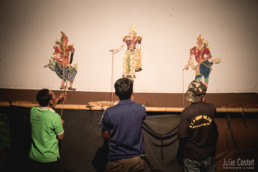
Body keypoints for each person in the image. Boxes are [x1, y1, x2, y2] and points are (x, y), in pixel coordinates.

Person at [99, 78, 146, 172]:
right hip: (136, 159)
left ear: (116, 93)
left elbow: (105, 135)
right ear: (132, 91)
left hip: (116, 160)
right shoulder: (141, 109)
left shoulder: (109, 112)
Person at [177, 80, 218, 172]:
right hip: (209, 155)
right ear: (202, 95)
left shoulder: (186, 112)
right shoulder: (212, 108)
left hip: (191, 157)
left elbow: (181, 135)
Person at [29, 89, 65, 172]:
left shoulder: (33, 111)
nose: (55, 96)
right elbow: (60, 137)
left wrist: (59, 98)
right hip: (50, 160)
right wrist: (61, 124)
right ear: (51, 101)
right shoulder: (55, 117)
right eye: (54, 95)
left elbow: (47, 107)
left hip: (34, 158)